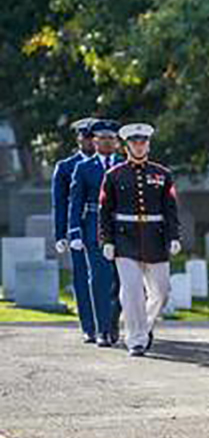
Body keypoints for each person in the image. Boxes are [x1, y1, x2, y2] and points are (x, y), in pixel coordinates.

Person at [100, 123, 181, 357]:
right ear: (127, 146)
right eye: (135, 142)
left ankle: (143, 326)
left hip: (155, 238)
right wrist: (107, 240)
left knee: (162, 292)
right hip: (125, 239)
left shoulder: (162, 174)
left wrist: (174, 236)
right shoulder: (114, 175)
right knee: (132, 290)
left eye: (143, 142)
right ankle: (135, 340)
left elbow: (171, 209)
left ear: (148, 144)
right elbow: (105, 210)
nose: (139, 146)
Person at [67, 119, 123, 347]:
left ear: (117, 142)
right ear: (95, 141)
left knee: (121, 282)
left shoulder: (125, 165)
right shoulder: (84, 168)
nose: (106, 143)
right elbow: (75, 202)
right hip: (94, 228)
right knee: (99, 280)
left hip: (123, 230)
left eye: (111, 139)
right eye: (102, 139)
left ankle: (112, 323)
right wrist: (74, 232)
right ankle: (101, 330)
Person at [52, 117, 97, 343]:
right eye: (85, 137)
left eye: (92, 137)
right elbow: (60, 203)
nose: (89, 141)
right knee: (82, 277)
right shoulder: (66, 167)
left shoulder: (109, 163)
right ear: (78, 139)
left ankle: (106, 324)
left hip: (105, 227)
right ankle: (88, 326)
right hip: (78, 228)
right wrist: (61, 234)